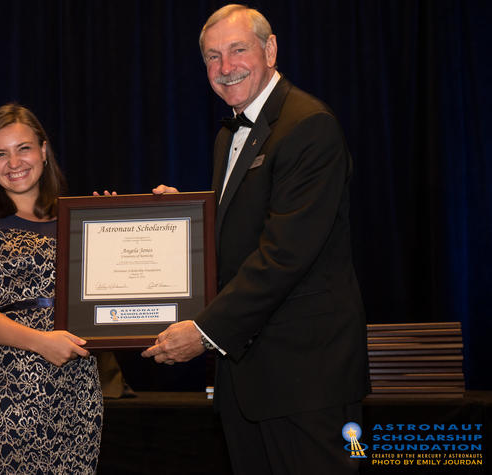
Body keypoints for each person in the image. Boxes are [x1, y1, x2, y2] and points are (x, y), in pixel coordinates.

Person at [142, 5, 370, 474]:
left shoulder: (309, 125)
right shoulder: (231, 134)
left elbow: (284, 254)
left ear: (269, 49)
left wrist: (202, 332)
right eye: (212, 57)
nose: (225, 68)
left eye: (237, 50)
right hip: (249, 380)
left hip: (307, 382)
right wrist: (184, 218)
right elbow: (248, 227)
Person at [0, 103, 103, 474]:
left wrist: (112, 227)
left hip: (77, 392)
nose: (14, 162)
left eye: (23, 148)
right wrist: (42, 342)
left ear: (44, 151)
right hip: (8, 393)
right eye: (0, 154)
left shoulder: (79, 217)